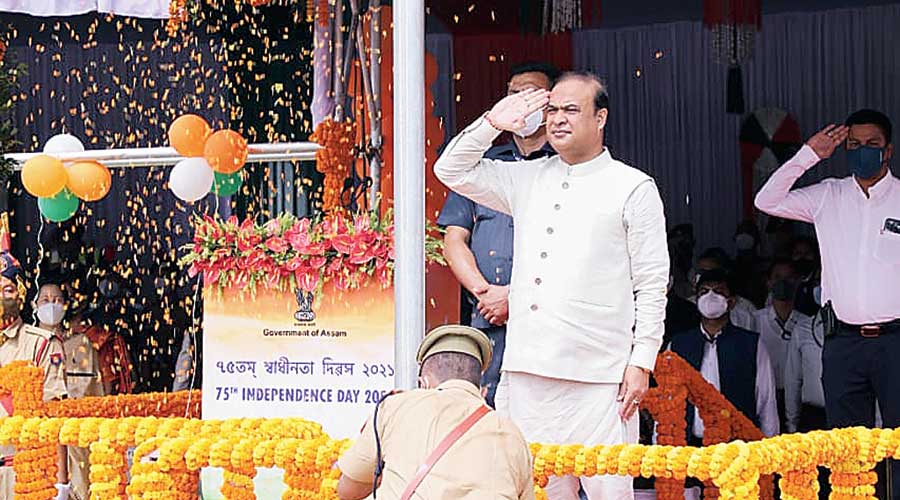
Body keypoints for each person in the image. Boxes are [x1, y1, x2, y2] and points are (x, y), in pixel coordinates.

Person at [434, 70, 669, 499]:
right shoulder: (526, 178)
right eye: (553, 110)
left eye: (571, 110)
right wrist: (493, 121)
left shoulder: (632, 186)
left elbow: (652, 283)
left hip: (600, 380)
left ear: (600, 119)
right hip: (528, 374)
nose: (558, 119)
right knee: (530, 491)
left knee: (608, 493)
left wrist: (642, 361)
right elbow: (450, 168)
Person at [754, 109, 900, 495]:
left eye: (872, 145)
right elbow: (766, 199)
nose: (862, 152)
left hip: (896, 342)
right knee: (848, 450)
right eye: (854, 145)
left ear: (888, 151)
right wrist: (809, 155)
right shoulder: (827, 196)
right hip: (844, 344)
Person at [438, 61, 559, 408]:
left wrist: (516, 296)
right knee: (486, 413)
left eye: (531, 93)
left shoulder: (566, 166)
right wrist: (485, 293)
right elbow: (454, 239)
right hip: (486, 317)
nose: (521, 101)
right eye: (513, 94)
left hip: (545, 320)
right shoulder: (482, 166)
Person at [335, 325, 535, 500]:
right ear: (480, 387)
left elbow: (348, 490)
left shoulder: (394, 407)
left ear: (425, 382)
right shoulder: (511, 433)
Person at [669, 269, 780, 440]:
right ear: (697, 300)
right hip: (690, 448)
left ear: (732, 302)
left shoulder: (751, 345)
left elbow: (766, 402)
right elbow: (668, 400)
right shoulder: (678, 345)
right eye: (704, 292)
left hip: (738, 447)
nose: (710, 297)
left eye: (719, 292)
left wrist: (770, 447)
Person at [0, 240, 69, 500]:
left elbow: (55, 414)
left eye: (8, 290)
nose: (1, 297)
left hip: (24, 472)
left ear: (21, 295)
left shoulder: (41, 343)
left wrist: (61, 483)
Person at [36, 282, 104, 500]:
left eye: (56, 300)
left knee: (81, 489)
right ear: (34, 305)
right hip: (42, 436)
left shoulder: (81, 344)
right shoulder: (30, 343)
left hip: (76, 436)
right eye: (45, 300)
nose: (51, 305)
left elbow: (97, 392)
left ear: (65, 306)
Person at [752, 259, 812, 430]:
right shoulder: (755, 320)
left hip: (798, 400)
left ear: (798, 281)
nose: (783, 283)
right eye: (778, 277)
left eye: (789, 278)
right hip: (766, 398)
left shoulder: (807, 324)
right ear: (769, 282)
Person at [690, 248, 758, 332]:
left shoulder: (746, 309)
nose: (703, 277)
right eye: (699, 272)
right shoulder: (688, 306)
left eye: (708, 273)